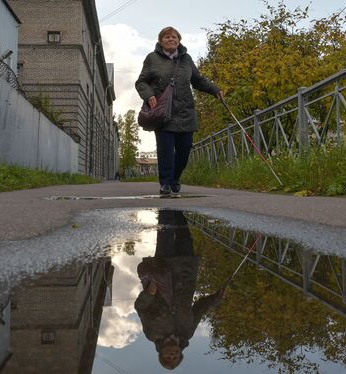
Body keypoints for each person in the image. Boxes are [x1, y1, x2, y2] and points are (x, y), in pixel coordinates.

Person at [135, 27, 224, 195]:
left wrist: (214, 90)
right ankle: (166, 184)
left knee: (184, 149)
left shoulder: (186, 59)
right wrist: (149, 96)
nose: (171, 39)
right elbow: (141, 82)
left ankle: (175, 178)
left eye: (174, 37)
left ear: (179, 40)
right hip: (163, 112)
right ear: (161, 41)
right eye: (167, 37)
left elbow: (198, 80)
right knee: (166, 150)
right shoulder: (152, 58)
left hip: (185, 112)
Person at [134, 210, 225, 370]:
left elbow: (140, 308)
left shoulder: (152, 334)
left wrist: (149, 294)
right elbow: (200, 308)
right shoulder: (187, 332)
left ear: (161, 354)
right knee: (184, 234)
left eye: (168, 357)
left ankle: (166, 201)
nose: (172, 354)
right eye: (175, 357)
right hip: (185, 272)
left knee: (166, 233)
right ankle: (178, 205)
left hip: (165, 271)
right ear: (180, 354)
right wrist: (216, 298)